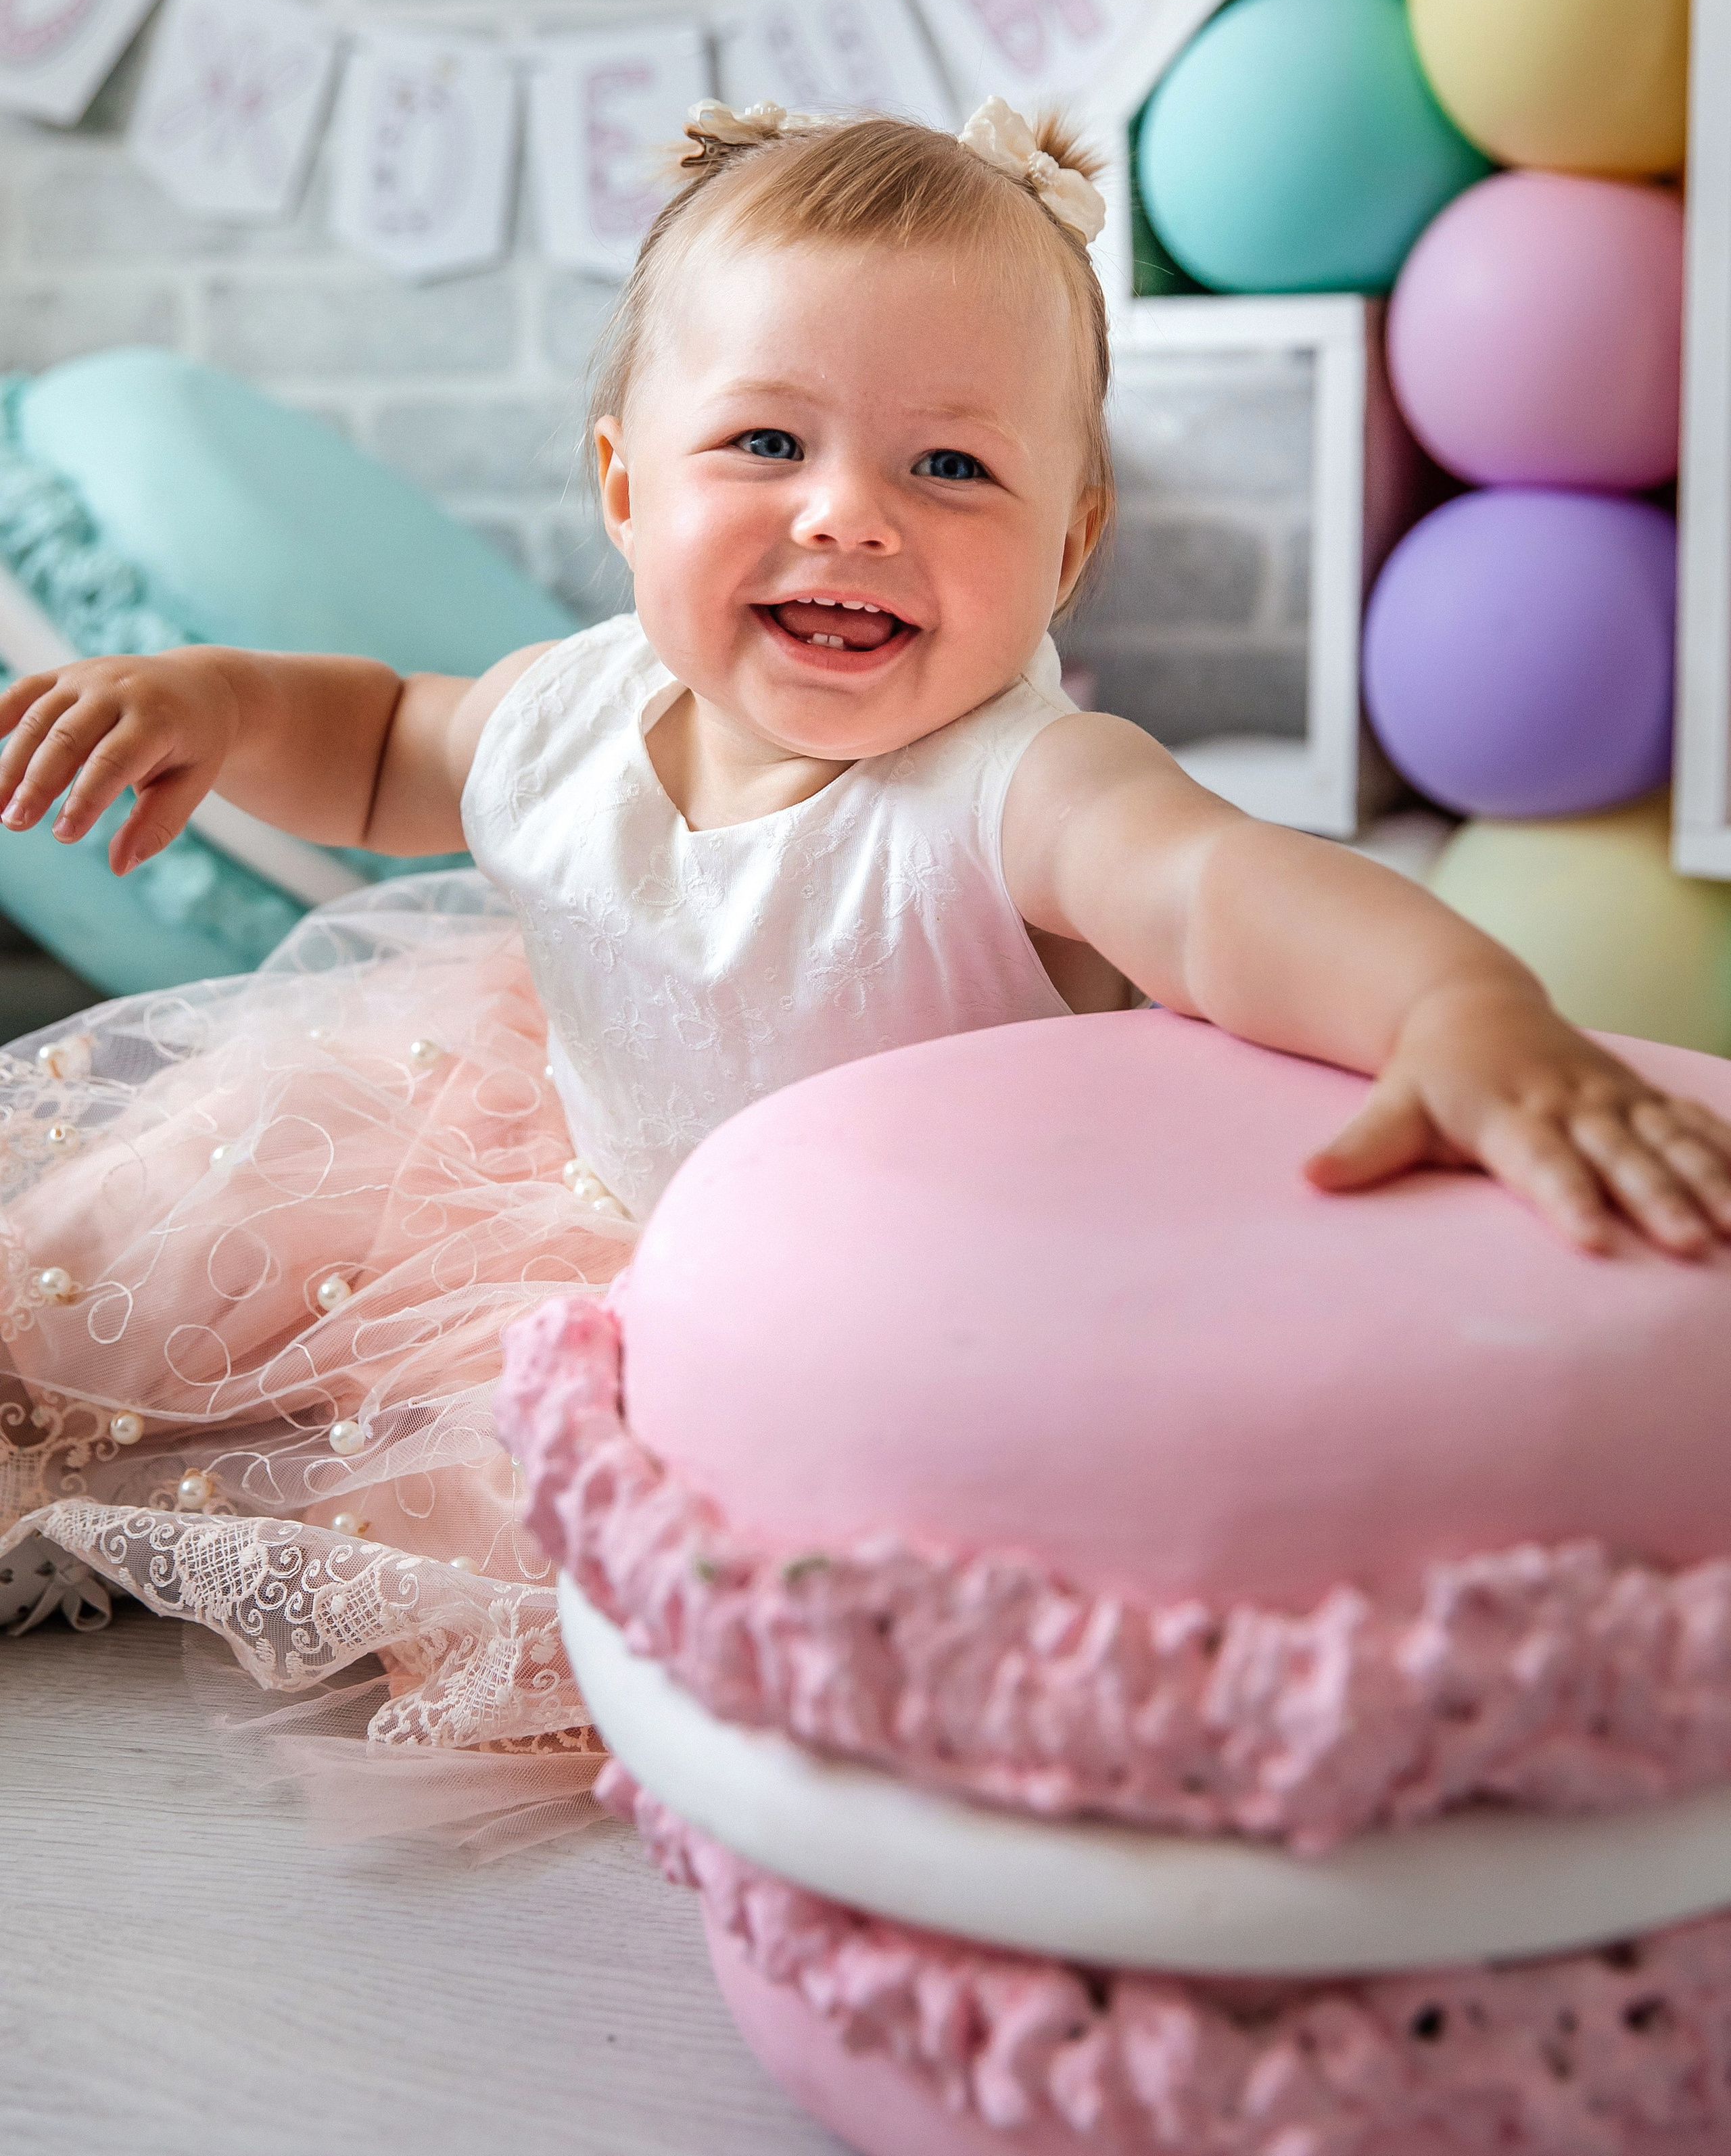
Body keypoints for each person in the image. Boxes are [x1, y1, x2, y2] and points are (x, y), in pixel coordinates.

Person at [1, 97, 1727, 1850]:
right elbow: (383, 745)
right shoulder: (578, 712)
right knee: (152, 1224)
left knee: (620, 1546)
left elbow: (1223, 892)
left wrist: (1458, 1008)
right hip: (542, 1165)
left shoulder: (1015, 791)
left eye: (951, 467)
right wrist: (219, 704)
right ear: (622, 485)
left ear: (1064, 548)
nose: (849, 518)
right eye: (765, 442)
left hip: (848, 1316)